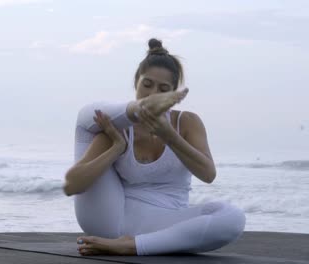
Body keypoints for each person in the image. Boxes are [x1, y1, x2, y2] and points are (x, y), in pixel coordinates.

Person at [63, 38, 245, 256]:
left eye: (163, 88)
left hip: (165, 225)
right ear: (136, 82)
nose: (152, 94)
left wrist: (169, 135)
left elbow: (208, 174)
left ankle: (133, 246)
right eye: (147, 85)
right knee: (86, 120)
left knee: (232, 218)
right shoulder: (119, 129)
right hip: (110, 220)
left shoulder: (186, 122)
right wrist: (116, 148)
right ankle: (132, 243)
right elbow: (72, 185)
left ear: (172, 95)